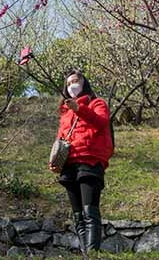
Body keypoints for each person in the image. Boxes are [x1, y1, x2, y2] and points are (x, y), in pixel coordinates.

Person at [49, 71, 113, 254]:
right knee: (78, 215)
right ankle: (86, 253)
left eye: (76, 81)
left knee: (90, 212)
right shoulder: (65, 112)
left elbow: (101, 122)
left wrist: (79, 108)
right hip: (69, 165)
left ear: (84, 83)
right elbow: (60, 139)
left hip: (90, 162)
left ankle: (92, 254)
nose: (72, 86)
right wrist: (54, 161)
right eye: (69, 83)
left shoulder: (97, 103)